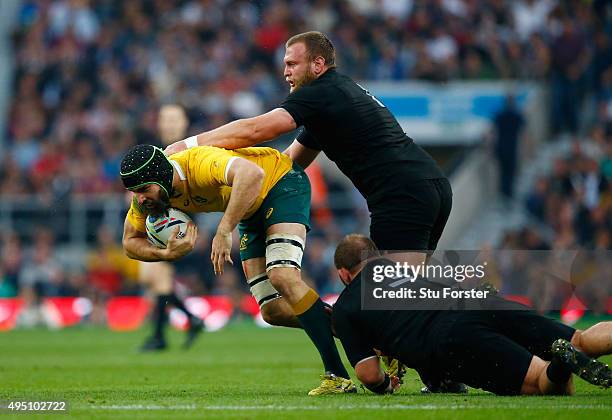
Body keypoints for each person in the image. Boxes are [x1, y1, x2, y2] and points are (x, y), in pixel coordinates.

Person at [163, 31, 452, 265]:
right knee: (413, 295)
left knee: (396, 302)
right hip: (429, 184)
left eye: (292, 64)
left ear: (317, 65)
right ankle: (469, 324)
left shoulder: (321, 92)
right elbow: (288, 164)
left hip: (401, 194)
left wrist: (188, 145)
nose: (286, 72)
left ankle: (481, 328)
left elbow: (257, 129)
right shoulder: (332, 101)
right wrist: (228, 186)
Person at [119, 143, 355, 395]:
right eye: (135, 192)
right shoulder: (145, 199)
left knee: (281, 275)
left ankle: (337, 375)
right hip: (249, 210)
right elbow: (129, 242)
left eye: (144, 189)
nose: (140, 198)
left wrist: (223, 229)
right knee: (272, 311)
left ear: (161, 176)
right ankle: (364, 332)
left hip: (279, 183)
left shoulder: (198, 163)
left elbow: (252, 174)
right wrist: (165, 253)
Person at [331, 234, 612, 395]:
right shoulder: (402, 269)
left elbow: (368, 374)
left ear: (343, 273)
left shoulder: (345, 307)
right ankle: (567, 350)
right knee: (581, 338)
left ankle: (560, 363)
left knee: (541, 382)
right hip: (477, 301)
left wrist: (384, 385)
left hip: (451, 336)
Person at [138, 104, 203, 351]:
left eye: (175, 118)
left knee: (158, 277)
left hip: (175, 222)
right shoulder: (154, 151)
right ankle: (190, 319)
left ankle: (159, 336)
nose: (169, 123)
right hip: (155, 222)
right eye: (165, 118)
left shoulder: (192, 149)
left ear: (185, 122)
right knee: (153, 279)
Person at [493, 94, 525, 201]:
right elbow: (524, 131)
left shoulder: (499, 114)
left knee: (503, 172)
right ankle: (508, 194)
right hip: (511, 148)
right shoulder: (516, 115)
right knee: (510, 172)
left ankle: (504, 194)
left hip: (500, 147)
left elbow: (493, 132)